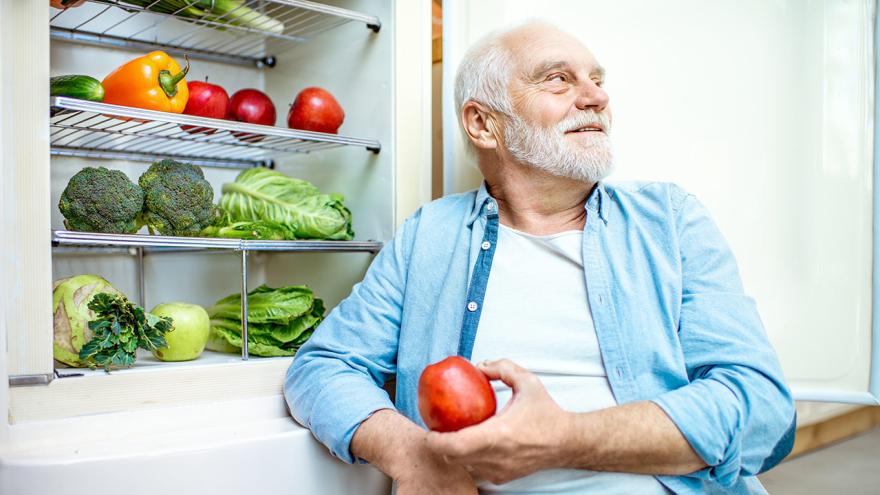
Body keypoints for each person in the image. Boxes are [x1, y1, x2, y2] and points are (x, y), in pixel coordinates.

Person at [284, 21, 795, 495]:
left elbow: (760, 411)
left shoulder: (670, 221)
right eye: (558, 79)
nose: (597, 96)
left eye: (596, 80)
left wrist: (566, 438)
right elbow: (322, 367)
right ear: (484, 124)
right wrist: (412, 454)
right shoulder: (428, 236)